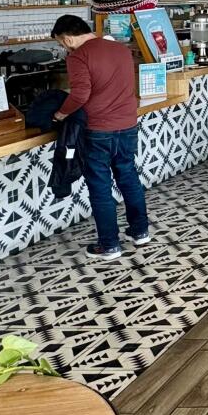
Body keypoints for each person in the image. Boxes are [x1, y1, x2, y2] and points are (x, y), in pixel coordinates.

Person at [52, 13, 149, 257]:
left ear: (67, 39)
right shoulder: (120, 49)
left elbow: (80, 94)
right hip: (128, 124)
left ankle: (109, 244)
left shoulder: (78, 56)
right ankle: (140, 232)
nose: (63, 47)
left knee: (100, 186)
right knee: (128, 177)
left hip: (98, 130)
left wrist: (61, 114)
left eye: (60, 43)